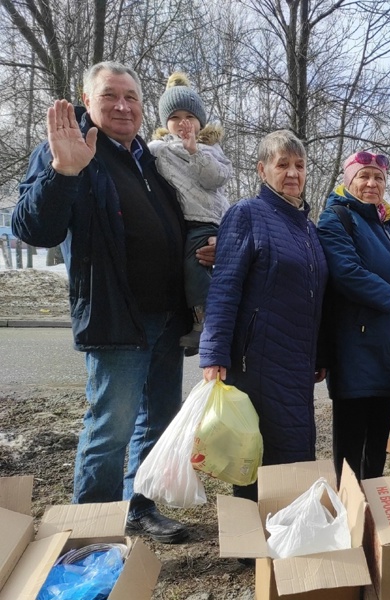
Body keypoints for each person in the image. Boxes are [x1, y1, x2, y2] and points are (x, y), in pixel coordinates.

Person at [11, 62, 214, 544]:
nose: (122, 106)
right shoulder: (72, 151)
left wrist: (204, 247)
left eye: (131, 98)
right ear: (87, 100)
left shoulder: (150, 157)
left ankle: (137, 508)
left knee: (156, 423)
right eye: (110, 97)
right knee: (110, 430)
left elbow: (178, 219)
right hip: (116, 317)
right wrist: (63, 172)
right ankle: (90, 531)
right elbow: (32, 229)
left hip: (166, 320)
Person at [200, 130, 328, 500]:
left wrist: (320, 354)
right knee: (257, 448)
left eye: (300, 165)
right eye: (282, 164)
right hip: (257, 357)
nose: (292, 173)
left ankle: (290, 529)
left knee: (297, 442)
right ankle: (254, 541)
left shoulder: (307, 227)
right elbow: (225, 286)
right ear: (262, 170)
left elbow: (316, 296)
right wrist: (214, 354)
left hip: (299, 359)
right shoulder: (246, 215)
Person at [317, 151, 390, 485]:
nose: (372, 183)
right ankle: (349, 507)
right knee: (352, 436)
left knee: (378, 433)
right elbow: (346, 271)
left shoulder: (388, 223)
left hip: (388, 344)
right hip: (355, 345)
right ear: (348, 179)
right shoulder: (337, 217)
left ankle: (374, 504)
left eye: (378, 178)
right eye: (364, 176)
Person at [149, 72, 233, 354]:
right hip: (181, 224)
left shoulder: (211, 149)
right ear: (166, 123)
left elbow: (216, 179)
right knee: (181, 273)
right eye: (175, 117)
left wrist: (195, 151)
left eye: (190, 116)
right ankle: (197, 320)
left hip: (208, 221)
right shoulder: (160, 150)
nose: (183, 123)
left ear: (201, 121)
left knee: (195, 267)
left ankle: (208, 324)